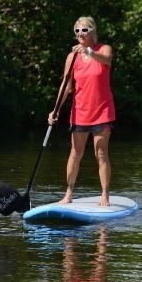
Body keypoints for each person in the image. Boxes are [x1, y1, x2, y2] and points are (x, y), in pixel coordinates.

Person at [48, 16, 116, 206]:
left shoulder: (103, 49)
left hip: (102, 109)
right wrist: (55, 110)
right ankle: (68, 194)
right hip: (80, 111)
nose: (80, 34)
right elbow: (66, 85)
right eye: (77, 31)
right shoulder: (73, 57)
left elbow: (105, 59)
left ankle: (105, 195)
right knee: (75, 153)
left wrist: (88, 51)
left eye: (84, 30)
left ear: (93, 32)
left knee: (101, 154)